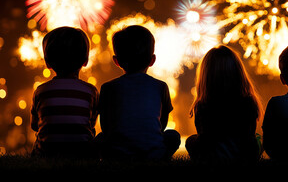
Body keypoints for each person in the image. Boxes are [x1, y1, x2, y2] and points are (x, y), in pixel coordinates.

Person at [98, 25, 180, 160]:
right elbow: (162, 124)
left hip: (117, 155)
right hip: (153, 154)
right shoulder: (161, 87)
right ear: (152, 60)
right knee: (173, 136)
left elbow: (106, 126)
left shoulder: (108, 87)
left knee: (100, 138)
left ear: (116, 61)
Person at [185, 45, 263, 163]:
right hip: (243, 156)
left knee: (191, 140)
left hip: (212, 157)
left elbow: (203, 136)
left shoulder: (203, 105)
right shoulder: (248, 102)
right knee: (257, 138)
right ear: (238, 72)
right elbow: (249, 134)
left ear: (206, 76)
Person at [31, 26, 99, 158]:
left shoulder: (41, 91)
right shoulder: (91, 91)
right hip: (83, 155)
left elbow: (35, 125)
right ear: (85, 61)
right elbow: (91, 124)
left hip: (46, 155)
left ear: (48, 63)